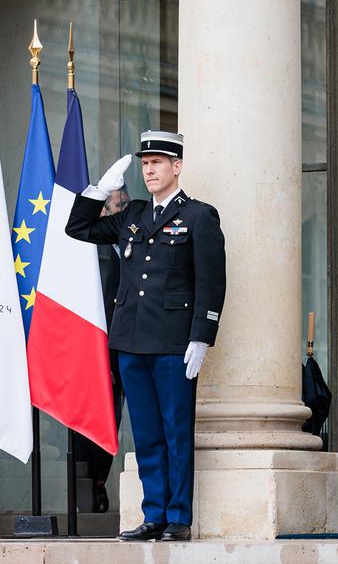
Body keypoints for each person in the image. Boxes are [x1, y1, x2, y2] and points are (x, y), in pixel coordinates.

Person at [66, 130, 226, 542]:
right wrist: (99, 190)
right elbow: (78, 227)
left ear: (177, 166)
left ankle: (178, 518)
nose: (149, 169)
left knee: (176, 433)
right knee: (147, 434)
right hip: (130, 341)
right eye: (145, 163)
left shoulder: (198, 216)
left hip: (174, 343)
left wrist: (202, 335)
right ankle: (153, 514)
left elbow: (211, 281)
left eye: (158, 162)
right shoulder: (133, 215)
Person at [73, 188, 130, 513]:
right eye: (116, 206)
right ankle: (89, 484)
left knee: (115, 422)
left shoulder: (133, 245)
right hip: (97, 355)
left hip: (128, 351)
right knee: (94, 422)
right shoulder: (92, 254)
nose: (121, 210)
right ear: (104, 214)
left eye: (124, 204)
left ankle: (99, 481)